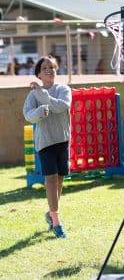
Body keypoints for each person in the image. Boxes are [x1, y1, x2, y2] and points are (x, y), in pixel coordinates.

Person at [23, 55, 72, 238]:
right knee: (51, 179)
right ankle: (57, 222)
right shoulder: (32, 94)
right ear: (38, 74)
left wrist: (43, 96)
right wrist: (39, 112)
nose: (49, 70)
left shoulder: (63, 89)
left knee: (59, 180)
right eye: (44, 68)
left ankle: (51, 213)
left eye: (51, 67)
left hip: (62, 140)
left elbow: (62, 106)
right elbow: (28, 115)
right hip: (45, 143)